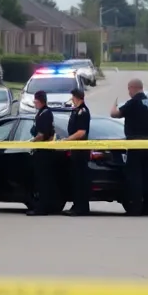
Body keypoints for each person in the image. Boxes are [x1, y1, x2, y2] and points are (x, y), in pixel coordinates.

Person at [109, 78, 148, 216]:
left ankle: (135, 207)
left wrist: (114, 105)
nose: (128, 92)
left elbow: (115, 114)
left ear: (132, 87)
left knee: (134, 176)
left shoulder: (133, 102)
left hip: (135, 143)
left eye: (129, 89)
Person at [26, 90, 57, 216]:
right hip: (43, 150)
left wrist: (31, 142)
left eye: (35, 101)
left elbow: (41, 134)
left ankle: (41, 208)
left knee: (42, 181)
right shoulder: (44, 112)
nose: (34, 103)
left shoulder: (45, 114)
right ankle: (43, 206)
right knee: (42, 180)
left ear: (39, 101)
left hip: (43, 152)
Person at [62, 87, 92, 216]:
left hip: (80, 151)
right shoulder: (76, 111)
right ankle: (77, 205)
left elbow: (81, 132)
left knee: (80, 179)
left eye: (73, 97)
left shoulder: (83, 112)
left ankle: (81, 207)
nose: (72, 100)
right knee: (76, 179)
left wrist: (67, 140)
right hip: (75, 150)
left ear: (77, 97)